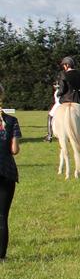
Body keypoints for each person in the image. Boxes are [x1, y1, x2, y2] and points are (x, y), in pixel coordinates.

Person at [0, 84, 21, 261]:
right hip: (7, 172)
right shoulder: (11, 121)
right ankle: (1, 256)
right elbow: (14, 150)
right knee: (2, 216)